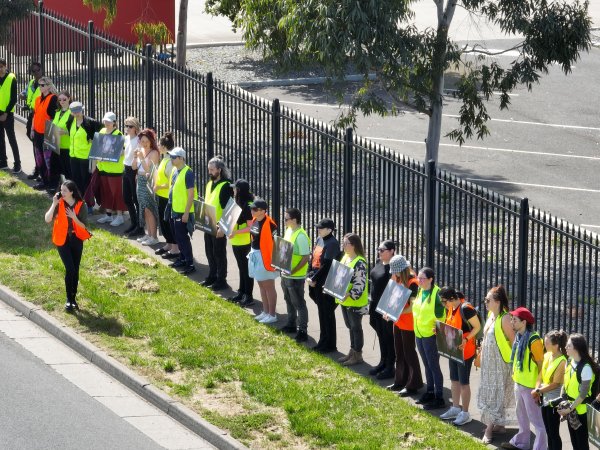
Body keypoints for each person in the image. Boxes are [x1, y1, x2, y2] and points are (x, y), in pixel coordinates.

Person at [500, 307, 546, 450]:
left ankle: (540, 448)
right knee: (521, 417)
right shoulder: (519, 337)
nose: (511, 322)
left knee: (537, 421)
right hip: (519, 383)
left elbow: (541, 365)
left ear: (524, 322)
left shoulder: (534, 341)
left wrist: (539, 389)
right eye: (512, 319)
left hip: (530, 387)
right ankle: (521, 443)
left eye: (515, 320)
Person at [44, 180, 91, 312]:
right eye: (61, 190)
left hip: (76, 240)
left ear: (71, 192)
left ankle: (73, 298)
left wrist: (74, 217)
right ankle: (68, 300)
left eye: (65, 190)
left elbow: (84, 226)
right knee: (70, 269)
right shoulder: (59, 203)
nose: (61, 192)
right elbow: (47, 219)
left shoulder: (81, 205)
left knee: (75, 270)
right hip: (62, 240)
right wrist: (53, 204)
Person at [477, 285, 516, 444]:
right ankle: (499, 425)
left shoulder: (505, 318)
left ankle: (489, 430)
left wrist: (514, 363)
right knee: (491, 393)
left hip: (500, 364)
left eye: (488, 300)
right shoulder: (490, 315)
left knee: (495, 394)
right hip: (489, 363)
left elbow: (514, 341)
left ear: (498, 302)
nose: (485, 302)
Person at [438, 287, 482, 426]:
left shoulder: (466, 309)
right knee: (454, 380)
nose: (444, 305)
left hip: (465, 352)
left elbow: (477, 327)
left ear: (452, 299)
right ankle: (456, 408)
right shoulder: (450, 308)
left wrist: (466, 339)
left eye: (444, 302)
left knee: (464, 383)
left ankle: (466, 413)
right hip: (454, 350)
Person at [383, 255, 423, 396]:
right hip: (398, 321)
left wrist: (396, 311)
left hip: (409, 324)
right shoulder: (398, 278)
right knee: (399, 352)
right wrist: (388, 310)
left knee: (409, 353)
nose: (393, 274)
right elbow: (391, 295)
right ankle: (400, 380)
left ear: (402, 270)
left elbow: (412, 307)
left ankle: (414, 384)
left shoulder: (413, 283)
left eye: (396, 271)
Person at [556, 333, 600, 450]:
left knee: (581, 444)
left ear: (576, 348)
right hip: (571, 409)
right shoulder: (569, 362)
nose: (565, 347)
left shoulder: (586, 368)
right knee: (574, 442)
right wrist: (563, 402)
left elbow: (583, 394)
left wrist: (569, 409)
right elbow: (565, 385)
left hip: (582, 411)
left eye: (568, 345)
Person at [413, 267, 446, 410]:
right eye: (418, 278)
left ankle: (439, 397)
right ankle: (430, 391)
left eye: (422, 279)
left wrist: (437, 330)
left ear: (431, 279)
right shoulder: (421, 290)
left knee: (433, 365)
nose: (419, 281)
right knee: (426, 364)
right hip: (419, 333)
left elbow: (442, 317)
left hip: (430, 335)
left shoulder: (437, 294)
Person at [307, 218, 340, 353]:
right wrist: (309, 274)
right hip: (315, 280)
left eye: (321, 228)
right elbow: (312, 258)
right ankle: (323, 340)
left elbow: (326, 265)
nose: (318, 230)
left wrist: (314, 278)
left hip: (324, 283)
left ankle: (329, 344)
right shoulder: (319, 239)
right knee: (322, 313)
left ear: (329, 230)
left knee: (327, 314)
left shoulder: (332, 243)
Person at [279, 208, 311, 342]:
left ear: (294, 220)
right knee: (288, 300)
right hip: (286, 274)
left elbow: (305, 257)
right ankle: (291, 324)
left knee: (299, 303)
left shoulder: (301, 236)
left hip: (295, 277)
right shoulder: (289, 230)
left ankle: (302, 330)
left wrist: (294, 271)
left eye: (286, 219)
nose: (284, 221)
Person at [336, 233, 368, 367]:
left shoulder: (359, 262)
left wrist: (349, 294)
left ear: (354, 245)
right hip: (345, 300)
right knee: (350, 326)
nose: (343, 246)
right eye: (343, 243)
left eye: (346, 243)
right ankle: (352, 351)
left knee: (356, 327)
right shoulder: (346, 258)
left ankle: (357, 354)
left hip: (354, 301)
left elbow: (359, 284)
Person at [201, 156, 232, 291]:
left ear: (219, 170)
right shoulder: (209, 184)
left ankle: (221, 279)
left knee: (219, 253)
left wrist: (223, 227)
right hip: (208, 223)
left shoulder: (226, 186)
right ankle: (212, 275)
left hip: (218, 226)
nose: (210, 172)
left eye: (212, 170)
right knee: (209, 251)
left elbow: (229, 209)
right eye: (209, 169)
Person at [166, 147, 197, 275]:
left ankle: (189, 263)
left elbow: (191, 195)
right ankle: (182, 258)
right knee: (177, 236)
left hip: (183, 212)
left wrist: (186, 213)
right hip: (174, 209)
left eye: (174, 157)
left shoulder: (188, 173)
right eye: (171, 157)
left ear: (181, 158)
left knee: (183, 238)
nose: (171, 159)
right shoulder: (175, 170)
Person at [535, 330, 567, 450]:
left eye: (547, 343)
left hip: (554, 400)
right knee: (548, 430)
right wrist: (537, 388)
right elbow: (541, 374)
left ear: (556, 345)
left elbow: (555, 384)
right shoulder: (547, 355)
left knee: (553, 432)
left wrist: (538, 391)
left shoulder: (562, 361)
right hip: (545, 397)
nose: (544, 345)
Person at [248, 198, 278, 324]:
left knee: (269, 286)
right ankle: (265, 312)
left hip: (265, 258)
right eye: (252, 208)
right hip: (255, 254)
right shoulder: (255, 220)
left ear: (263, 211)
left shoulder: (270, 224)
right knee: (261, 285)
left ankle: (272, 314)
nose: (252, 211)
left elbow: (275, 244)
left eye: (254, 209)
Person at [368, 240, 395, 379]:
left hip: (386, 308)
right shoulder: (379, 262)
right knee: (380, 334)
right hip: (375, 305)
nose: (379, 252)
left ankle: (391, 366)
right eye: (378, 249)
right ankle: (383, 361)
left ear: (391, 251)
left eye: (382, 250)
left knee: (388, 336)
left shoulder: (393, 268)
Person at [95, 112, 126, 227]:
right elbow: (97, 147)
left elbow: (123, 151)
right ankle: (108, 215)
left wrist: (110, 154)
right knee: (106, 191)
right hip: (103, 168)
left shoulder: (118, 134)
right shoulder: (102, 132)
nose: (106, 123)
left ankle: (119, 216)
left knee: (116, 193)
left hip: (115, 170)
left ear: (114, 122)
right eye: (105, 121)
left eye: (109, 121)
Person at [227, 179, 254, 307]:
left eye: (235, 188)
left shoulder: (248, 206)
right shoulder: (237, 202)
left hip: (244, 242)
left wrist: (236, 233)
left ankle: (248, 296)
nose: (233, 190)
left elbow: (251, 227)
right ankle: (241, 292)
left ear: (239, 190)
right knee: (241, 268)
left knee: (246, 269)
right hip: (236, 241)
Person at [68, 101, 102, 201]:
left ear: (82, 110)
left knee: (86, 181)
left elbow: (102, 133)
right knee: (76, 180)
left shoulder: (90, 122)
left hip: (85, 157)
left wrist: (94, 141)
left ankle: (89, 203)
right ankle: (79, 200)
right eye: (74, 112)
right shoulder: (71, 121)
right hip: (73, 155)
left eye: (78, 111)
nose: (76, 114)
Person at [132, 128, 160, 245]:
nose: (143, 143)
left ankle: (154, 236)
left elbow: (149, 170)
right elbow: (134, 167)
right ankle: (148, 235)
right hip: (140, 180)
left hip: (148, 181)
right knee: (143, 209)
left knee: (149, 209)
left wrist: (142, 158)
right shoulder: (140, 151)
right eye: (141, 141)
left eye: (145, 141)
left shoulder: (154, 153)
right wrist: (135, 157)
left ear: (151, 141)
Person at [31, 77, 58, 191]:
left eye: (42, 85)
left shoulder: (53, 98)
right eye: (39, 85)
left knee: (49, 160)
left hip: (48, 133)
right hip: (37, 132)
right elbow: (35, 115)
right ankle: (44, 181)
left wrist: (50, 135)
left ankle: (52, 183)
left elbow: (54, 118)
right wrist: (32, 129)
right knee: (39, 159)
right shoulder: (37, 99)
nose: (40, 87)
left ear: (48, 86)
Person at [153, 132, 178, 257]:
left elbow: (170, 182)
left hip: (167, 196)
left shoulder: (169, 161)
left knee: (168, 222)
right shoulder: (164, 159)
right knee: (163, 222)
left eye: (159, 144)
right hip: (161, 196)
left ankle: (175, 248)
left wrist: (158, 186)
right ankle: (168, 243)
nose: (157, 146)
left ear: (163, 146)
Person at [121, 116, 143, 237]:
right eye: (126, 126)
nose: (127, 128)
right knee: (126, 198)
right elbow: (126, 152)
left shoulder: (139, 140)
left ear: (135, 128)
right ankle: (133, 222)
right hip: (125, 167)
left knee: (136, 199)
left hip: (134, 170)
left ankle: (140, 226)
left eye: (130, 126)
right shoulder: (127, 138)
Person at [20, 62, 42, 179]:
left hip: (41, 117)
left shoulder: (45, 83)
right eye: (33, 71)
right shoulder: (31, 83)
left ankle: (41, 170)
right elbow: (26, 93)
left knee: (39, 145)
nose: (36, 73)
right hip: (32, 115)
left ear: (41, 70)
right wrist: (22, 94)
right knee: (33, 140)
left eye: (37, 70)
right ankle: (38, 168)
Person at [0, 58, 22, 174]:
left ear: (5, 66)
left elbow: (13, 98)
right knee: (0, 139)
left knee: (11, 139)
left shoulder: (11, 78)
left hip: (7, 114)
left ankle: (17, 164)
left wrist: (6, 113)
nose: (0, 69)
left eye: (1, 67)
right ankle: (3, 162)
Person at [51, 91, 74, 179]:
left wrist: (65, 132)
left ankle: (70, 190)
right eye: (60, 100)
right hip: (57, 146)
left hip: (67, 147)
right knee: (58, 170)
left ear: (69, 99)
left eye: (64, 99)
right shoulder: (57, 112)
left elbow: (76, 130)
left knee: (68, 171)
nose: (62, 101)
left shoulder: (72, 113)